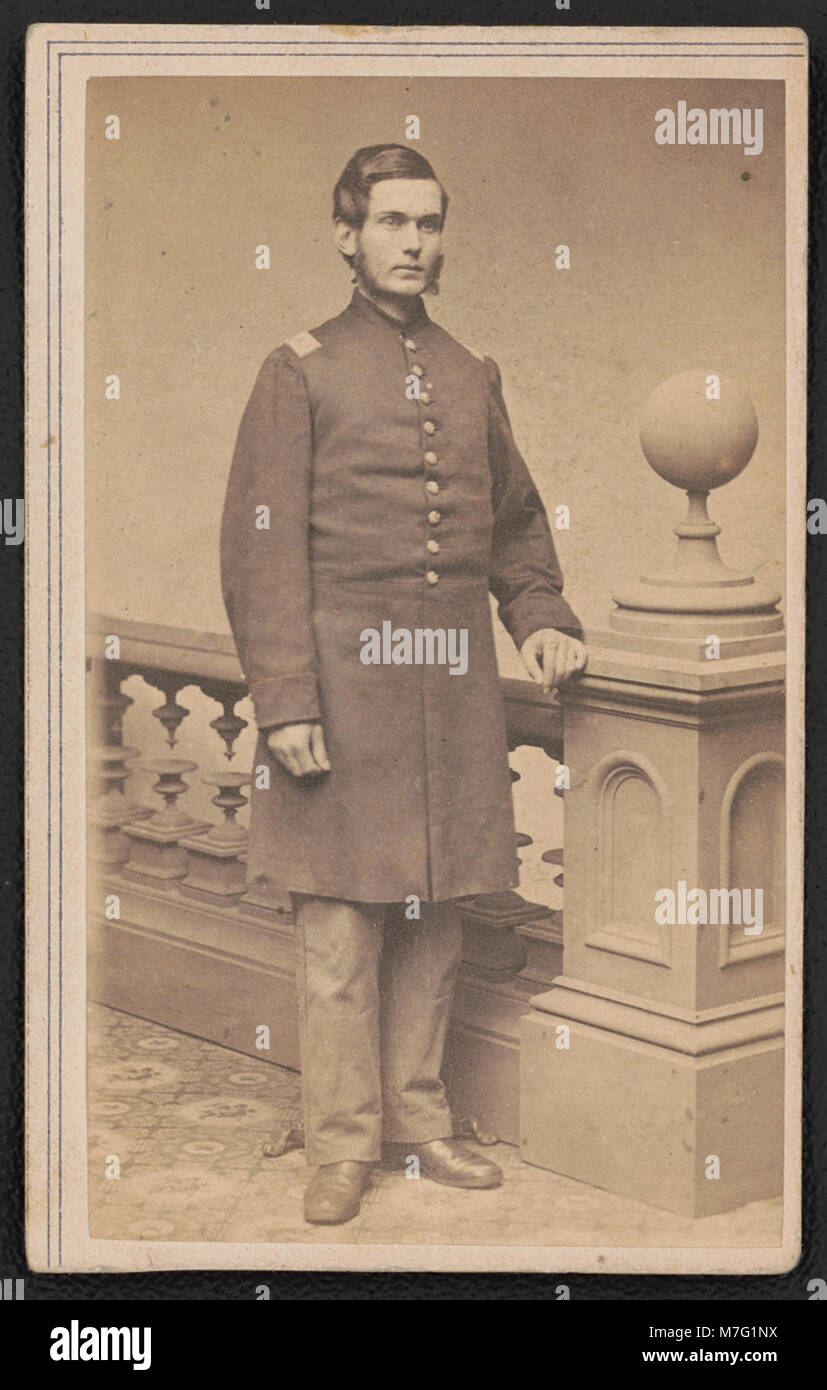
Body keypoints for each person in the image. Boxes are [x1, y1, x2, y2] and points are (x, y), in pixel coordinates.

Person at [221, 144, 586, 1225]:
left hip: (449, 694)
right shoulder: (299, 368)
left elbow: (515, 525)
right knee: (339, 927)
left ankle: (417, 1123)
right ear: (346, 234)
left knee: (433, 914)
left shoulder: (471, 373)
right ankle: (340, 1143)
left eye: (428, 223)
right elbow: (259, 547)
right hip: (338, 694)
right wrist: (284, 699)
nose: (413, 243)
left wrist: (544, 619)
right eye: (390, 222)